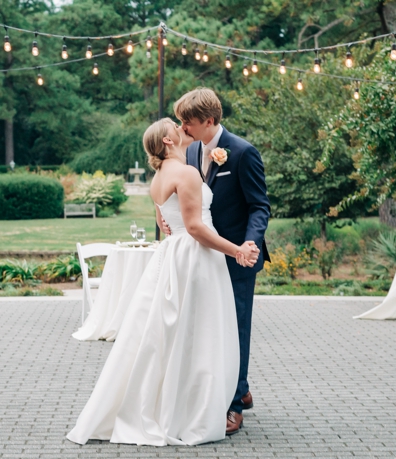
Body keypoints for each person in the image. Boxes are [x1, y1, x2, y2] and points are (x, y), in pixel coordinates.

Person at [67, 118, 259, 446]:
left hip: (174, 254)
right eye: (175, 126)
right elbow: (195, 228)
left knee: (175, 333)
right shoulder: (185, 173)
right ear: (168, 141)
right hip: (195, 258)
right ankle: (190, 410)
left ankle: (181, 402)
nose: (181, 127)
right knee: (198, 333)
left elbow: (164, 223)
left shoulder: (159, 178)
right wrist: (236, 250)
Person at [162, 88, 272, 434]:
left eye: (188, 121)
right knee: (212, 329)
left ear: (209, 121)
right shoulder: (191, 150)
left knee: (236, 329)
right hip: (203, 257)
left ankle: (234, 405)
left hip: (238, 256)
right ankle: (240, 388)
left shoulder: (243, 152)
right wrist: (166, 218)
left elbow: (259, 206)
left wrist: (249, 243)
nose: (183, 127)